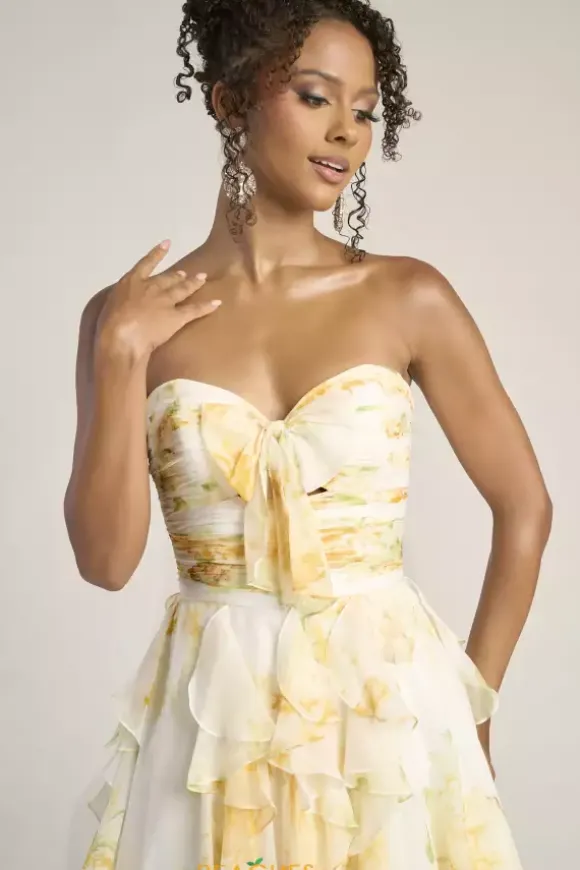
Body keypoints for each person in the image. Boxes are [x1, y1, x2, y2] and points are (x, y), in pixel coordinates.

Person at [65, 1, 552, 868]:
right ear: (229, 101)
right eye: (315, 96)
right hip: (210, 727)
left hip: (389, 721)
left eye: (364, 110)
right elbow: (105, 564)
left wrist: (473, 703)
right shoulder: (123, 321)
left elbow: (526, 507)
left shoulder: (408, 296)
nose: (346, 133)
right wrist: (120, 354)